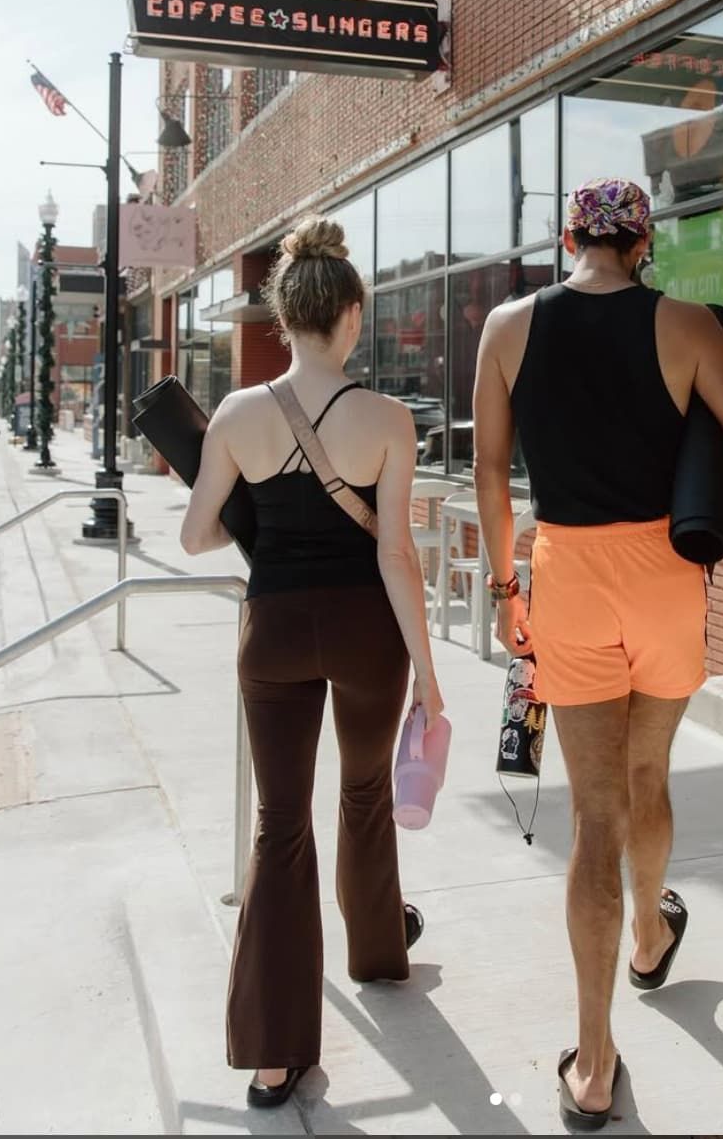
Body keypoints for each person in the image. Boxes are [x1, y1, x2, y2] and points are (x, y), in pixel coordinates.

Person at [473, 177, 723, 1129]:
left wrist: (502, 587)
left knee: (593, 817)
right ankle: (650, 936)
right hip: (663, 577)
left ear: (570, 239)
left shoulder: (508, 327)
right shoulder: (688, 324)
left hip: (565, 570)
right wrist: (691, 414)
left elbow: (487, 466)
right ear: (643, 243)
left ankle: (594, 1066)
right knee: (651, 775)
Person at [180, 215, 445, 1110]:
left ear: (282, 321)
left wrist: (258, 520)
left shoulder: (236, 413)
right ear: (351, 319)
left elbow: (195, 533)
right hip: (369, 632)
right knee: (366, 792)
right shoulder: (389, 418)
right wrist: (432, 676)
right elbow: (396, 555)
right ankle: (377, 951)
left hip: (275, 632)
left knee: (279, 823)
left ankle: (272, 1054)